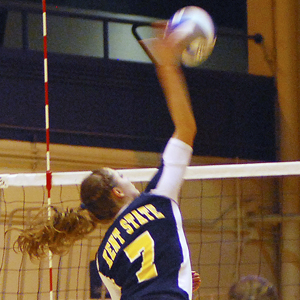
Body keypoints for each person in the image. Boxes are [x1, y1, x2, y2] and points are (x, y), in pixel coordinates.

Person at [15, 26, 198, 300]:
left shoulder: (103, 260)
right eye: (121, 175)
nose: (128, 177)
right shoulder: (157, 200)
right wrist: (167, 66)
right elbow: (185, 128)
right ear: (117, 191)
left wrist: (177, 281)